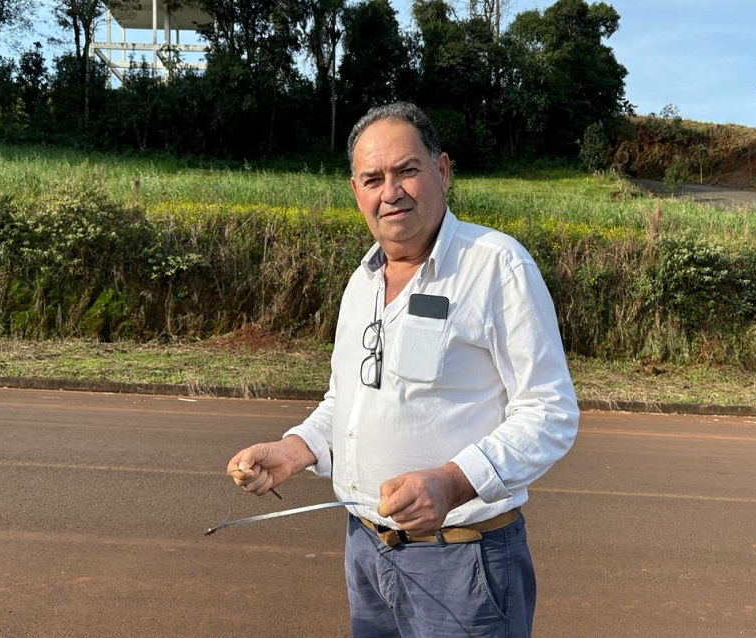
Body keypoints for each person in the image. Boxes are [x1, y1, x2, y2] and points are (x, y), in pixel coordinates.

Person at [227, 101, 579, 637]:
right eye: (373, 178)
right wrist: (291, 451)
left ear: (440, 171)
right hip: (367, 551)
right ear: (356, 192)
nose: (390, 191)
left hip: (464, 561)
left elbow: (550, 411)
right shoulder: (360, 283)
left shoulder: (495, 264)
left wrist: (452, 483)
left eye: (406, 171)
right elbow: (347, 400)